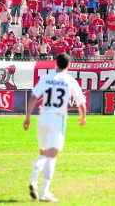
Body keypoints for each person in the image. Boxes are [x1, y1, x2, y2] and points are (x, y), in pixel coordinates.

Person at [24, 53, 87, 202]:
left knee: (43, 153)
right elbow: (81, 103)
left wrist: (27, 117)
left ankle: (33, 180)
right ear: (69, 65)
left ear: (55, 64)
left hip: (43, 117)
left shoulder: (46, 78)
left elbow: (33, 97)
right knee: (52, 155)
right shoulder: (69, 80)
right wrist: (82, 117)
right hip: (57, 118)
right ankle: (44, 191)